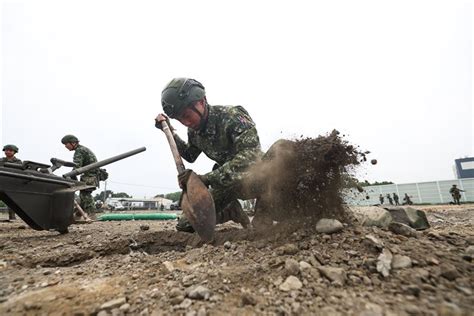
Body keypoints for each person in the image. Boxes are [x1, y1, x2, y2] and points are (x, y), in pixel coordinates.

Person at [155, 78, 262, 233]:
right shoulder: (194, 131)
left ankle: (267, 208)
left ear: (201, 101)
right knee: (187, 225)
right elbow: (190, 154)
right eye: (180, 119)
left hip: (259, 179)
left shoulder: (231, 116)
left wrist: (205, 179)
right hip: (227, 184)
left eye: (187, 115)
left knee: (264, 228)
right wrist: (169, 131)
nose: (186, 122)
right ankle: (232, 210)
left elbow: (251, 157)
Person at [61, 135, 98, 215]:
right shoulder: (83, 149)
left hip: (89, 175)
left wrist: (68, 176)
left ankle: (91, 214)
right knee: (83, 195)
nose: (65, 146)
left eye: (66, 144)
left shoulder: (79, 151)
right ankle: (79, 214)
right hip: (90, 174)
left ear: (73, 143)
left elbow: (76, 167)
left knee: (85, 194)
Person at [1, 144, 22, 220]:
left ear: (14, 152)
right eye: (6, 150)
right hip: (2, 181)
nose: (8, 152)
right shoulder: (1, 161)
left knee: (11, 201)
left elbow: (20, 172)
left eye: (10, 150)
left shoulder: (18, 162)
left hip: (12, 183)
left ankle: (12, 217)